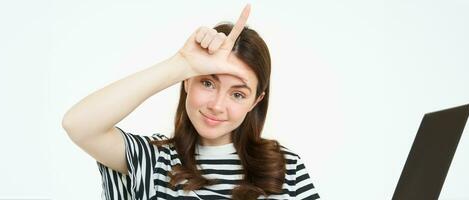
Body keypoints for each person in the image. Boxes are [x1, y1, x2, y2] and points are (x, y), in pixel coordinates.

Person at [62, 4, 320, 200]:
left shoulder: (286, 169)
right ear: (187, 81)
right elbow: (78, 124)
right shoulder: (152, 160)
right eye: (208, 83)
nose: (217, 105)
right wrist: (181, 64)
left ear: (255, 101)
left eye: (238, 94)